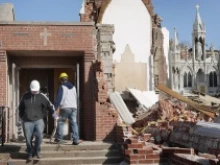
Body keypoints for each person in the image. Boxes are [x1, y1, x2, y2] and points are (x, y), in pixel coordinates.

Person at [19, 80, 58, 160]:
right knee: (28, 138)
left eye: (36, 91)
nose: (34, 92)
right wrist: (21, 117)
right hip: (27, 120)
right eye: (33, 90)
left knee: (39, 136)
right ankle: (30, 153)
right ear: (30, 89)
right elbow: (21, 107)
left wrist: (54, 114)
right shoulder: (25, 96)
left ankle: (37, 151)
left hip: (39, 120)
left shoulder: (42, 96)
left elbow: (50, 106)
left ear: (39, 89)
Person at [54, 72, 80, 145]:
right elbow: (76, 97)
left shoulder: (61, 87)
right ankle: (76, 139)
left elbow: (59, 98)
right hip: (74, 107)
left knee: (61, 122)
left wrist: (55, 108)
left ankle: (59, 139)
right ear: (67, 79)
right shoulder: (74, 87)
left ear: (61, 80)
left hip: (65, 107)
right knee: (74, 123)